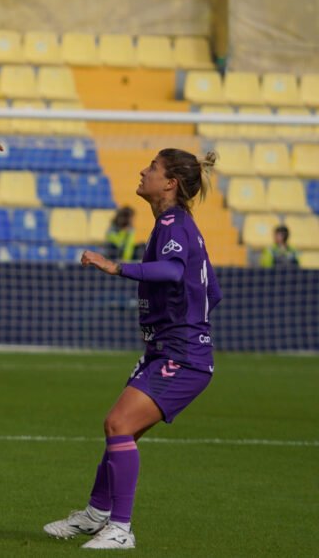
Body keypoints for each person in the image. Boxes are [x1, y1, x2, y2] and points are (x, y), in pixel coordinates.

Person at [44, 149, 220, 550]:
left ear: (171, 183)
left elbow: (175, 272)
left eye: (153, 168)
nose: (143, 171)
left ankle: (120, 528)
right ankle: (96, 514)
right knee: (123, 432)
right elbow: (212, 290)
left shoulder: (175, 223)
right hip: (169, 349)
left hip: (183, 356)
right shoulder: (173, 225)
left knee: (118, 425)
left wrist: (116, 266)